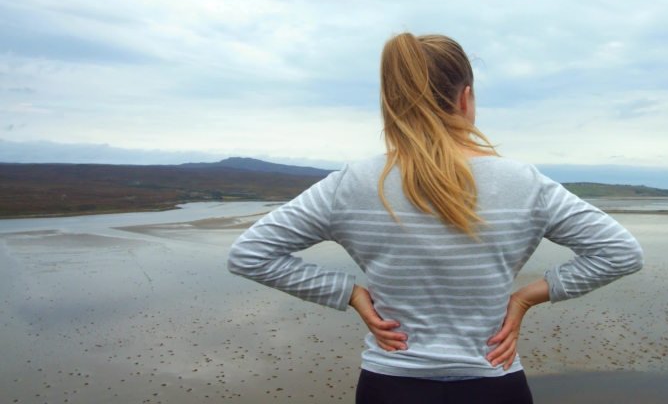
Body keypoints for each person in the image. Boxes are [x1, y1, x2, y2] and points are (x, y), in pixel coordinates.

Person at [227, 32, 644, 404]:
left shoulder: (351, 183)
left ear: (393, 102)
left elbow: (250, 254)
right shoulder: (524, 182)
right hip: (493, 384)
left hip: (390, 386)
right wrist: (523, 299)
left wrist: (351, 294)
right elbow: (620, 253)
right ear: (465, 98)